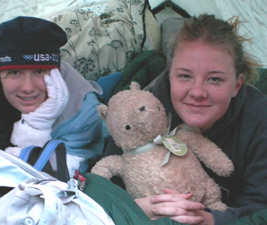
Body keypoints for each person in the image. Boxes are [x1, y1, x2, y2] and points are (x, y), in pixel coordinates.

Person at [97, 14, 267, 224]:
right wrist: (138, 207)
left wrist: (212, 220)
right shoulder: (143, 109)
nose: (197, 92)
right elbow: (102, 189)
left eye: (214, 79)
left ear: (237, 85)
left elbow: (260, 208)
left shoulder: (260, 123)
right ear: (170, 75)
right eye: (185, 76)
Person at [0, 16, 104, 178]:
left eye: (39, 71)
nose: (27, 87)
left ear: (56, 72)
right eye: (14, 72)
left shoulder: (82, 107)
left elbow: (61, 178)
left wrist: (36, 129)